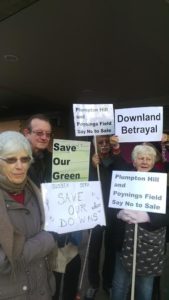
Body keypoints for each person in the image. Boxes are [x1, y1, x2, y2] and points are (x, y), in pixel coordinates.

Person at [23, 114, 81, 300]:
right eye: (39, 133)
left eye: (48, 134)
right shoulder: (17, 162)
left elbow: (74, 185)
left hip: (58, 232)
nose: (44, 137)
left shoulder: (55, 159)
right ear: (26, 133)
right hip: (29, 236)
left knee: (62, 274)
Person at [0, 131, 58, 299]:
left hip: (42, 289)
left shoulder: (34, 191)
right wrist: (49, 239)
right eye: (11, 159)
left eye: (25, 159)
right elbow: (4, 261)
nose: (20, 166)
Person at [108, 143, 169, 300]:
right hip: (123, 242)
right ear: (134, 161)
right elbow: (112, 205)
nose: (144, 161)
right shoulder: (123, 178)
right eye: (141, 158)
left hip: (149, 246)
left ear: (153, 162)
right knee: (119, 284)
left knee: (144, 286)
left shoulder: (161, 182)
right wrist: (118, 213)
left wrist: (149, 217)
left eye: (149, 158)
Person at [84, 135, 123, 300]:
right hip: (95, 212)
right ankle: (93, 284)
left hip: (114, 214)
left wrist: (117, 152)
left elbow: (125, 172)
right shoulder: (88, 163)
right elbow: (82, 185)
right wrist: (93, 167)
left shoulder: (117, 160)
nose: (104, 145)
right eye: (100, 142)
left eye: (107, 142)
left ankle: (107, 283)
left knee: (111, 251)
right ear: (94, 145)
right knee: (93, 251)